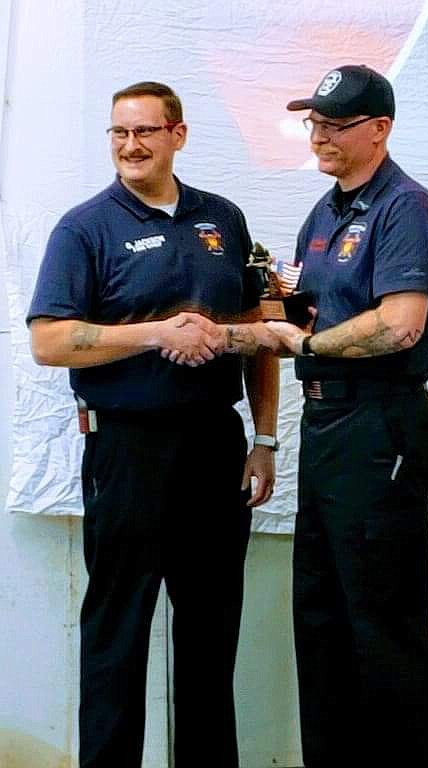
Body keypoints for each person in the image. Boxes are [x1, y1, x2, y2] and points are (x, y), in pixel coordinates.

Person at [27, 81, 279, 768]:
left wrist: (264, 439)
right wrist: (155, 334)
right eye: (118, 133)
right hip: (127, 448)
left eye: (144, 131)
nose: (130, 146)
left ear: (178, 134)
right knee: (118, 631)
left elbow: (260, 333)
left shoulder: (222, 220)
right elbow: (48, 341)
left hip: (214, 448)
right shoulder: (86, 227)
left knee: (209, 631)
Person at [263, 65, 428, 768]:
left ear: (379, 129)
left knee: (380, 628)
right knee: (323, 620)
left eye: (335, 125)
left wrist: (306, 344)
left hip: (380, 429)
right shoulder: (326, 212)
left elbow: (400, 325)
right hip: (326, 429)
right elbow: (301, 308)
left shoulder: (407, 208)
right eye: (314, 123)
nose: (320, 137)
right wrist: (261, 314)